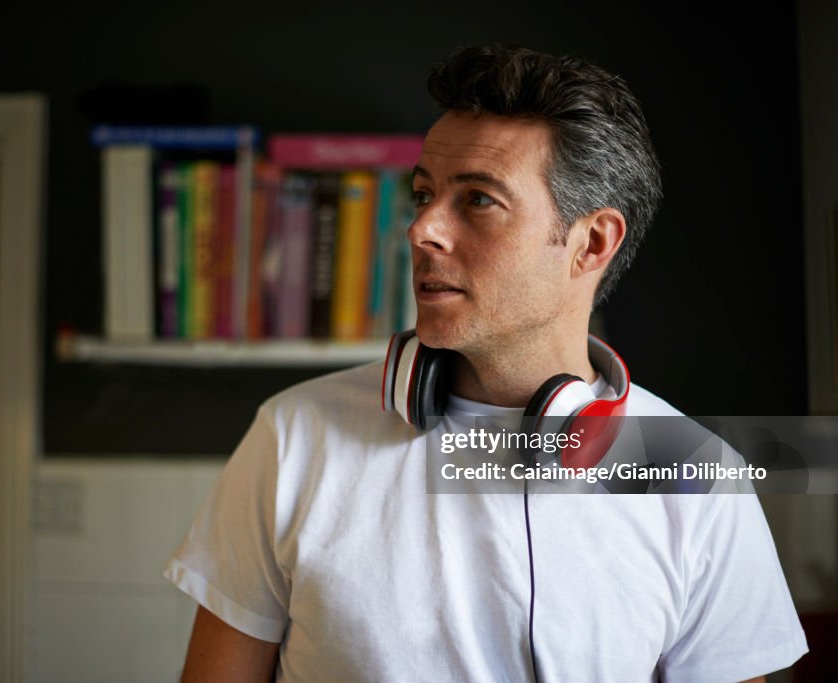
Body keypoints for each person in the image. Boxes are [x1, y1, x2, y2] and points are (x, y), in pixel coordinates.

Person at [164, 45, 807, 682]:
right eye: (423, 194)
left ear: (590, 243)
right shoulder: (292, 436)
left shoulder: (692, 474)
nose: (421, 230)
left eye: (477, 200)